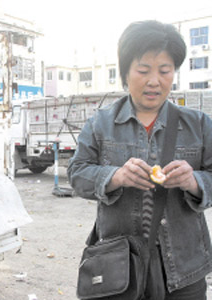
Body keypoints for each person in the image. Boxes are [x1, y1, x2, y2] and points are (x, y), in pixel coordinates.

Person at [67, 20, 212, 299]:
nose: (154, 81)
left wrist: (194, 181)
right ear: (125, 72)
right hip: (120, 268)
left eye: (165, 71)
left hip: (184, 269)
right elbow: (76, 174)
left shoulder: (200, 125)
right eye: (143, 70)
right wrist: (115, 177)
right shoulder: (100, 124)